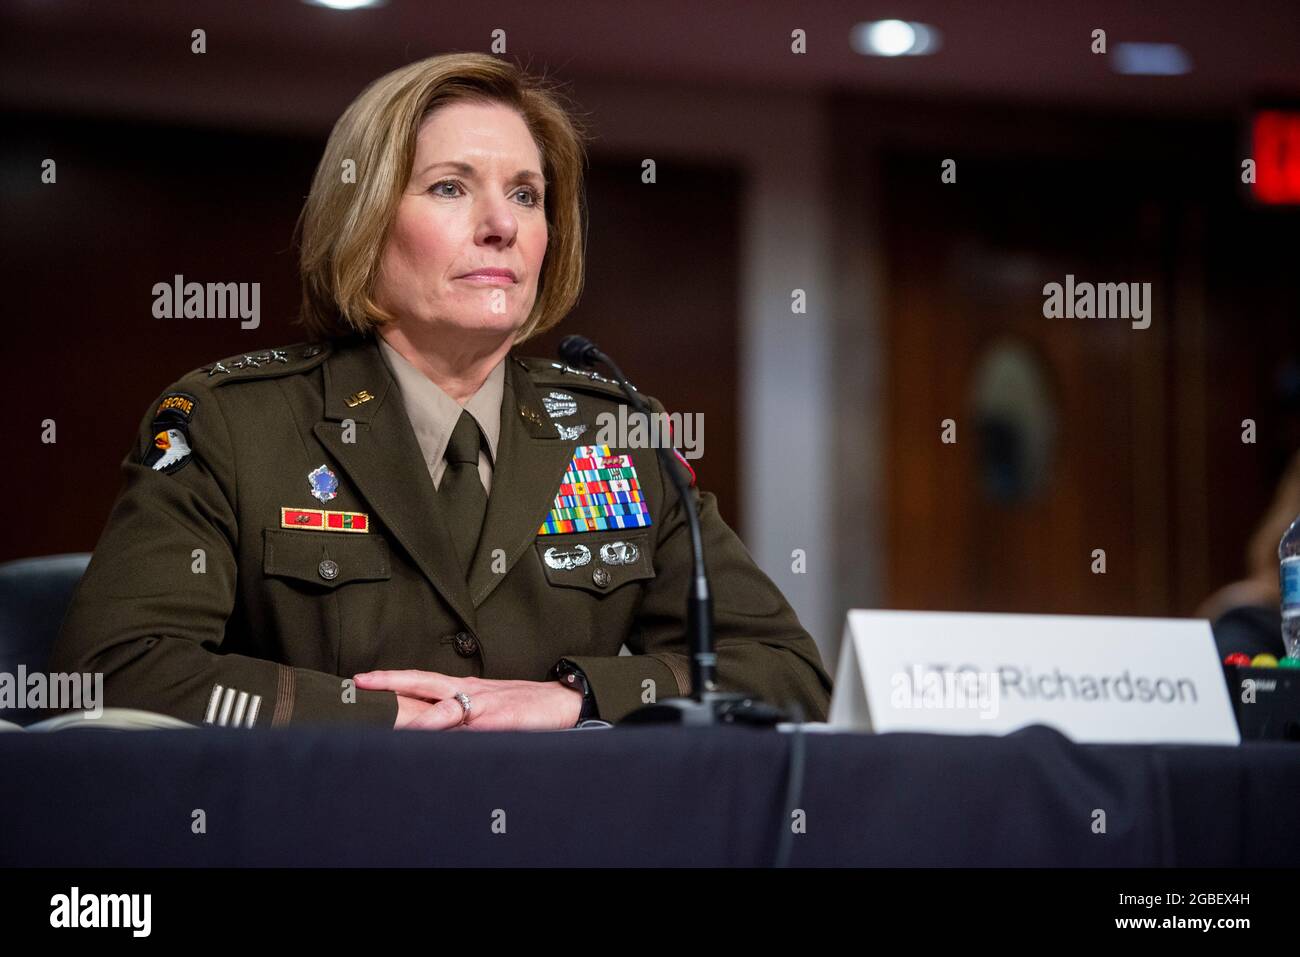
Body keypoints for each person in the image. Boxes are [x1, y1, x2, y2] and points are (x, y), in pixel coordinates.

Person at [51, 52, 833, 730]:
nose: (501, 224)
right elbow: (112, 669)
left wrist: (577, 696)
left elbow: (786, 672)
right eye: (451, 187)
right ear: (363, 219)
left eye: (526, 195)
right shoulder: (229, 423)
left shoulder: (618, 434)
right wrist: (385, 714)